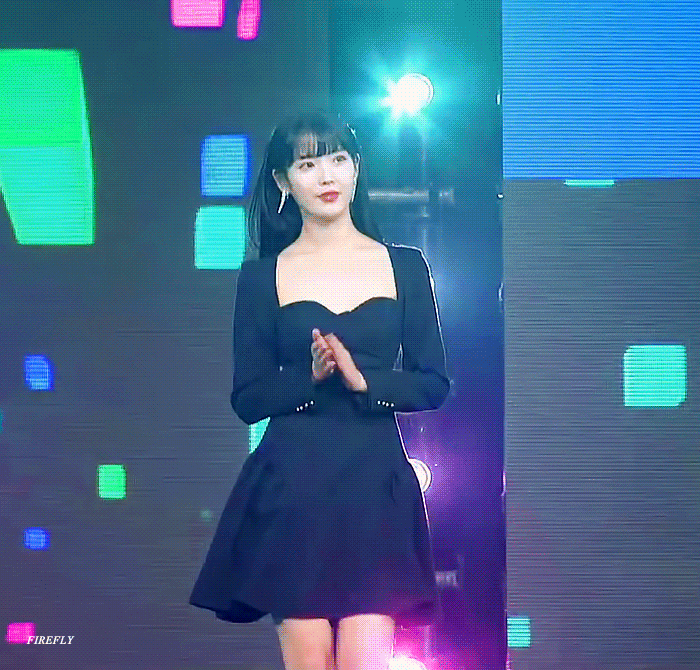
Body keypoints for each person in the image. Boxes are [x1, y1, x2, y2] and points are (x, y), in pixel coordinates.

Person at [189, 109, 451, 670]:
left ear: (356, 168)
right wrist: (307, 379)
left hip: (374, 485)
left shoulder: (404, 267)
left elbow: (433, 383)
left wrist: (364, 381)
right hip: (294, 487)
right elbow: (247, 398)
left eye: (337, 159)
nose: (327, 175)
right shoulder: (261, 276)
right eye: (308, 165)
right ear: (283, 181)